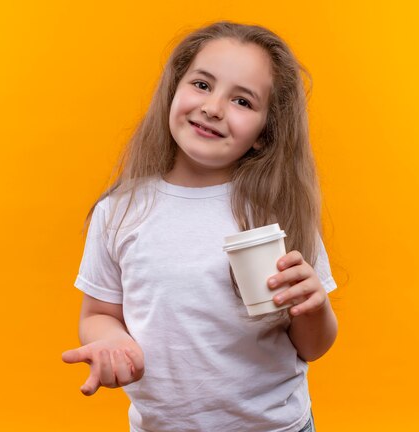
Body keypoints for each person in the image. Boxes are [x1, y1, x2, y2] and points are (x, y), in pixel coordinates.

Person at [62, 21, 338, 432]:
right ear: (174, 90)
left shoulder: (275, 213)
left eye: (243, 101)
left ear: (265, 134)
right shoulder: (120, 211)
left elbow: (312, 347)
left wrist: (314, 307)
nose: (213, 108)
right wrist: (113, 341)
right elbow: (100, 313)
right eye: (203, 85)